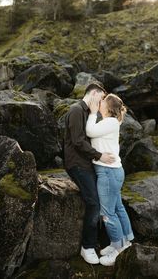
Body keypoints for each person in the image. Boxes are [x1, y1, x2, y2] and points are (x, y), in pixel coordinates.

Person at [64, 83, 116, 265]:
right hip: (77, 164)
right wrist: (99, 155)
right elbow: (78, 141)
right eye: (101, 97)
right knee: (93, 202)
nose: (102, 102)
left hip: (88, 164)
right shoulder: (77, 110)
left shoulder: (90, 113)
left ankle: (106, 242)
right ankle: (87, 247)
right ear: (93, 94)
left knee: (102, 200)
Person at [86, 93, 134, 266]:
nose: (100, 103)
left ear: (108, 108)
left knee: (107, 213)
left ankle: (119, 250)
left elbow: (90, 131)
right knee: (118, 207)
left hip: (107, 173)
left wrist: (92, 113)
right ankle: (125, 242)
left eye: (103, 102)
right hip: (112, 172)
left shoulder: (111, 122)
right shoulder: (112, 121)